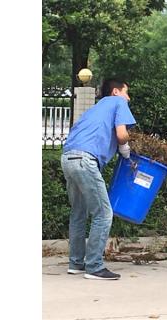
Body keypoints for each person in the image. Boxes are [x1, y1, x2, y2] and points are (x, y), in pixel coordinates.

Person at [60, 78, 136, 280]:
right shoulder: (118, 102)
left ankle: (76, 263)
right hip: (85, 160)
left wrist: (121, 147)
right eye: (126, 92)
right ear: (115, 92)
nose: (128, 97)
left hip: (68, 158)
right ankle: (94, 266)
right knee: (103, 213)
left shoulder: (95, 108)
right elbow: (121, 134)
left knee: (78, 213)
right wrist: (126, 147)